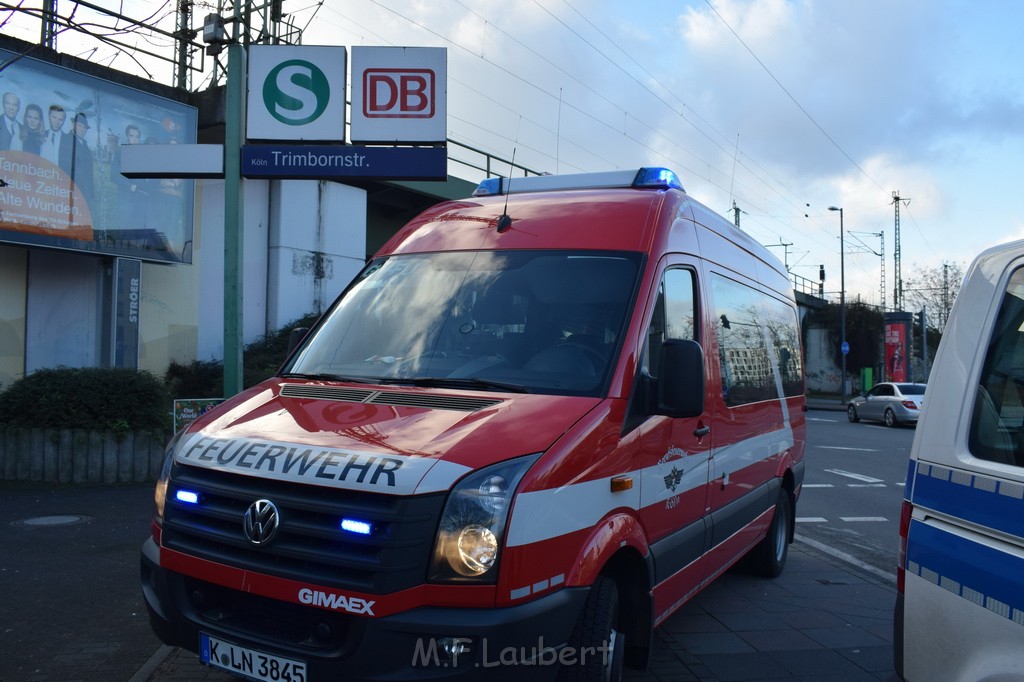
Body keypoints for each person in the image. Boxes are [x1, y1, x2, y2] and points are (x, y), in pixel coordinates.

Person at [111, 124, 148, 228]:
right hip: (125, 198)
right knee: (124, 227)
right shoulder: (120, 153)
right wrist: (129, 186)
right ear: (127, 136)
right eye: (132, 136)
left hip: (140, 199)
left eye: (137, 137)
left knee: (136, 230)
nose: (135, 139)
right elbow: (113, 175)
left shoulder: (142, 156)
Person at [59, 112, 95, 207]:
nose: (82, 130)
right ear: (73, 125)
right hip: (71, 188)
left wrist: (91, 194)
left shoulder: (85, 145)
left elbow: (89, 172)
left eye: (84, 128)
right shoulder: (66, 140)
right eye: (80, 126)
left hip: (84, 190)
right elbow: (65, 166)